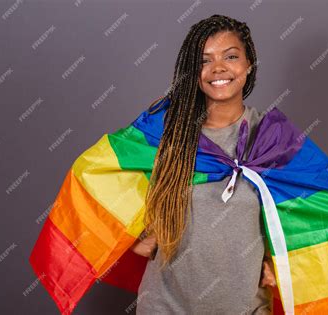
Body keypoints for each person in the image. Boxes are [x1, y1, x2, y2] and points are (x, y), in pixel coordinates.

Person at [129, 14, 277, 314]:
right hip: (165, 304)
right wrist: (138, 236)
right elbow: (105, 182)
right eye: (204, 60)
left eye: (231, 56)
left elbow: (321, 208)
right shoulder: (167, 132)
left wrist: (284, 261)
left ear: (249, 65)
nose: (218, 68)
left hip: (245, 307)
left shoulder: (273, 140)